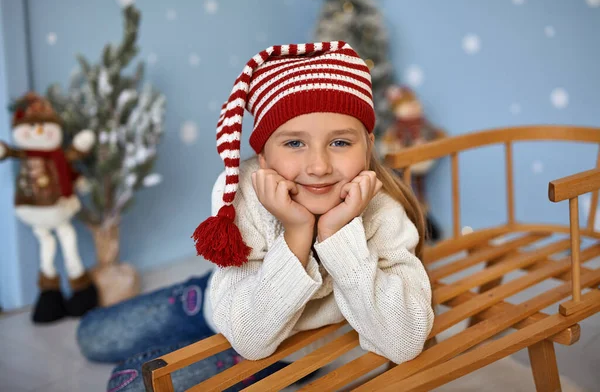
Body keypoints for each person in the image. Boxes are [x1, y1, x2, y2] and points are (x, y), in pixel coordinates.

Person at [76, 40, 434, 392]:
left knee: (128, 384)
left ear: (368, 145)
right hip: (227, 301)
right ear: (263, 155)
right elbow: (239, 314)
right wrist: (297, 233)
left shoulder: (382, 210)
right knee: (91, 336)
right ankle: (191, 302)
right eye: (294, 143)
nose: (319, 166)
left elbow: (404, 342)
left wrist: (336, 235)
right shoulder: (242, 191)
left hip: (275, 346)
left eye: (340, 142)